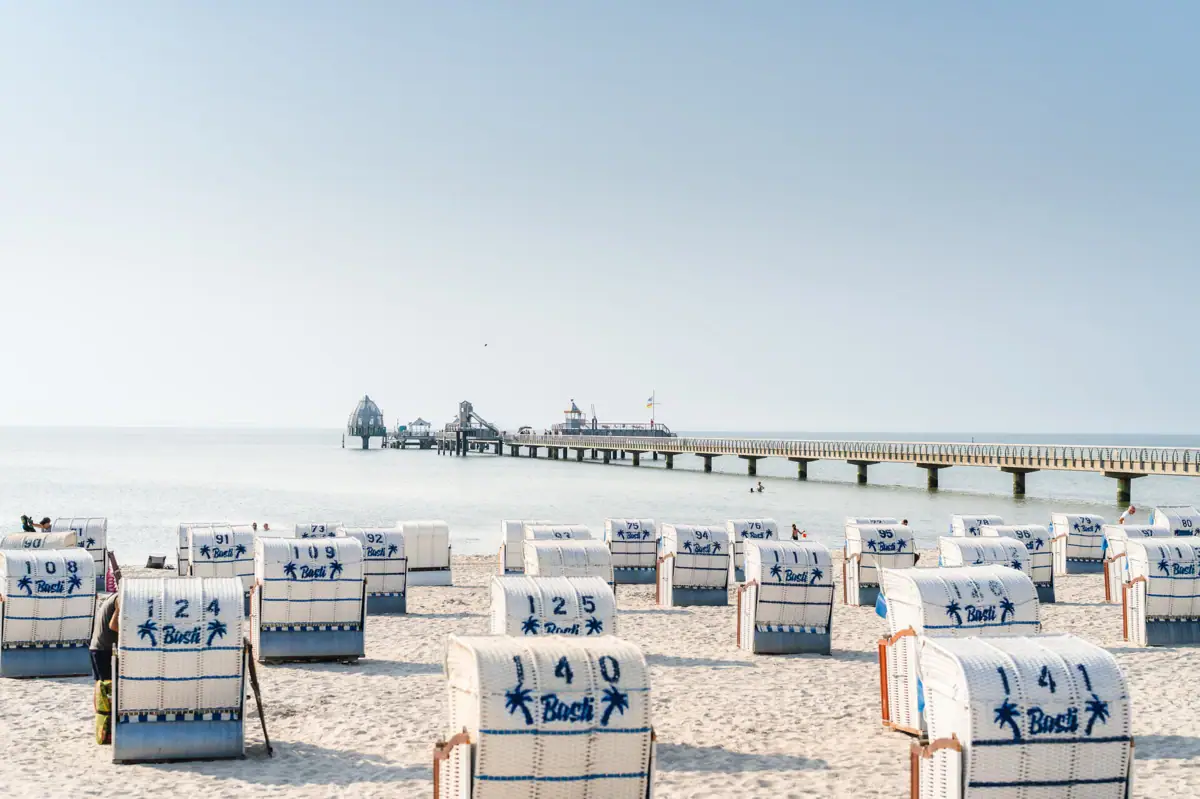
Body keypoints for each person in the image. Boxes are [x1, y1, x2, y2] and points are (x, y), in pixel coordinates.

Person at [90, 593, 119, 682]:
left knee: (101, 684)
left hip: (98, 646)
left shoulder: (113, 597)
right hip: (104, 648)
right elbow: (114, 625)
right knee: (106, 684)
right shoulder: (119, 599)